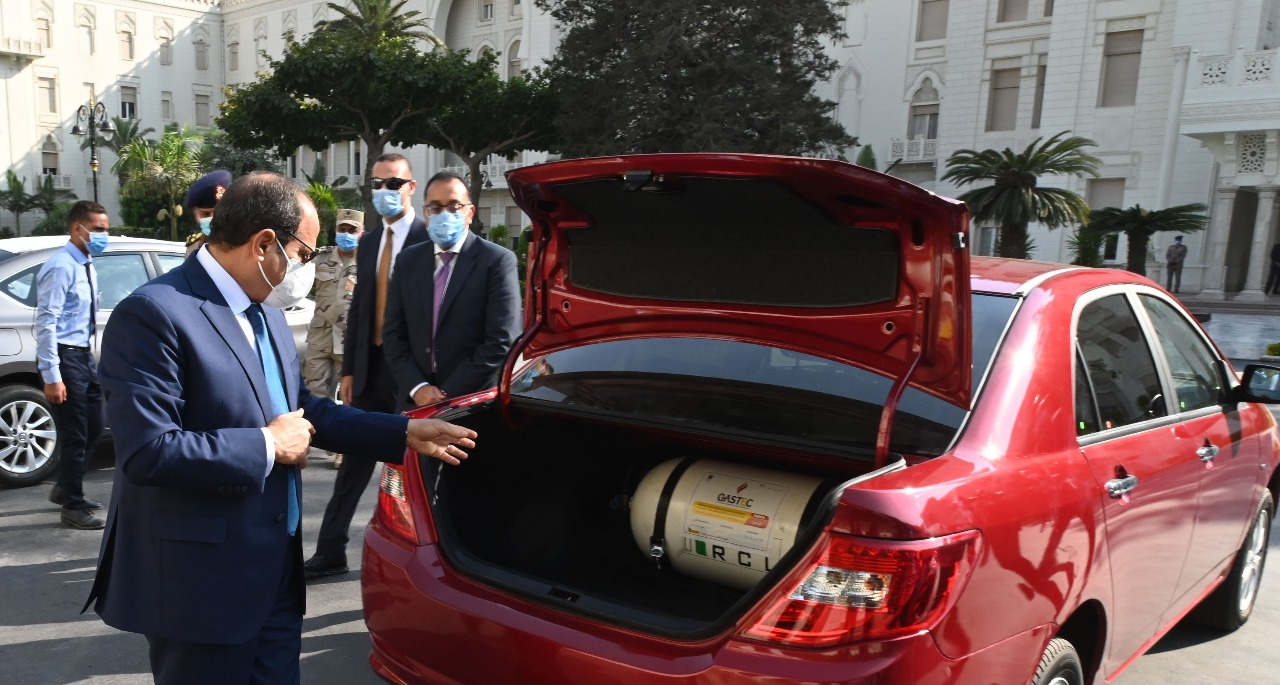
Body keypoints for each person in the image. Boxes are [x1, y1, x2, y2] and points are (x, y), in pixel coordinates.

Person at [83, 171, 477, 685]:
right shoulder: (154, 313)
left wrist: (402, 433)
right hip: (202, 586)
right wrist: (268, 444)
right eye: (304, 254)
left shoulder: (265, 311)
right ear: (264, 244)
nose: (306, 268)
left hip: (274, 573)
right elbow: (149, 451)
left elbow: (301, 408)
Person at [304, 153, 427, 578]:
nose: (384, 192)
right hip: (371, 368)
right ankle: (330, 550)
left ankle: (420, 561)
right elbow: (359, 310)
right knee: (353, 462)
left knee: (414, 472)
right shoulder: (371, 241)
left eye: (393, 183)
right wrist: (351, 371)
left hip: (413, 375)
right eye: (377, 184)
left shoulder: (427, 239)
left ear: (410, 187)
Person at [383, 171, 522, 409]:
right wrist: (417, 387)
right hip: (415, 404)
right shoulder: (407, 261)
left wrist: (449, 394)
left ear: (470, 213)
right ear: (426, 213)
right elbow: (393, 334)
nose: (444, 214)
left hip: (471, 406)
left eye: (454, 206)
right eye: (435, 207)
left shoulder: (497, 262)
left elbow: (501, 340)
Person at [37, 200, 109, 530]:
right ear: (77, 229)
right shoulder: (62, 266)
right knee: (76, 433)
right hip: (65, 357)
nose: (103, 236)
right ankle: (73, 506)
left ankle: (67, 486)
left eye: (105, 229)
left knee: (95, 424)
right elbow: (46, 322)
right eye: (97, 230)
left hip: (82, 356)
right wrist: (52, 375)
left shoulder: (85, 263)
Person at [302, 208, 363, 469]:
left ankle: (343, 448)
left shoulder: (368, 261)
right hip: (320, 338)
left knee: (349, 399)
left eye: (352, 230)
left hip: (349, 341)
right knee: (314, 395)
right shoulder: (321, 257)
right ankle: (316, 442)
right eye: (342, 229)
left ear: (361, 233)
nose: (346, 234)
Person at [184, 170, 233, 258]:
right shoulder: (194, 248)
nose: (213, 219)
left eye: (219, 213)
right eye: (205, 214)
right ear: (196, 214)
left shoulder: (247, 244)